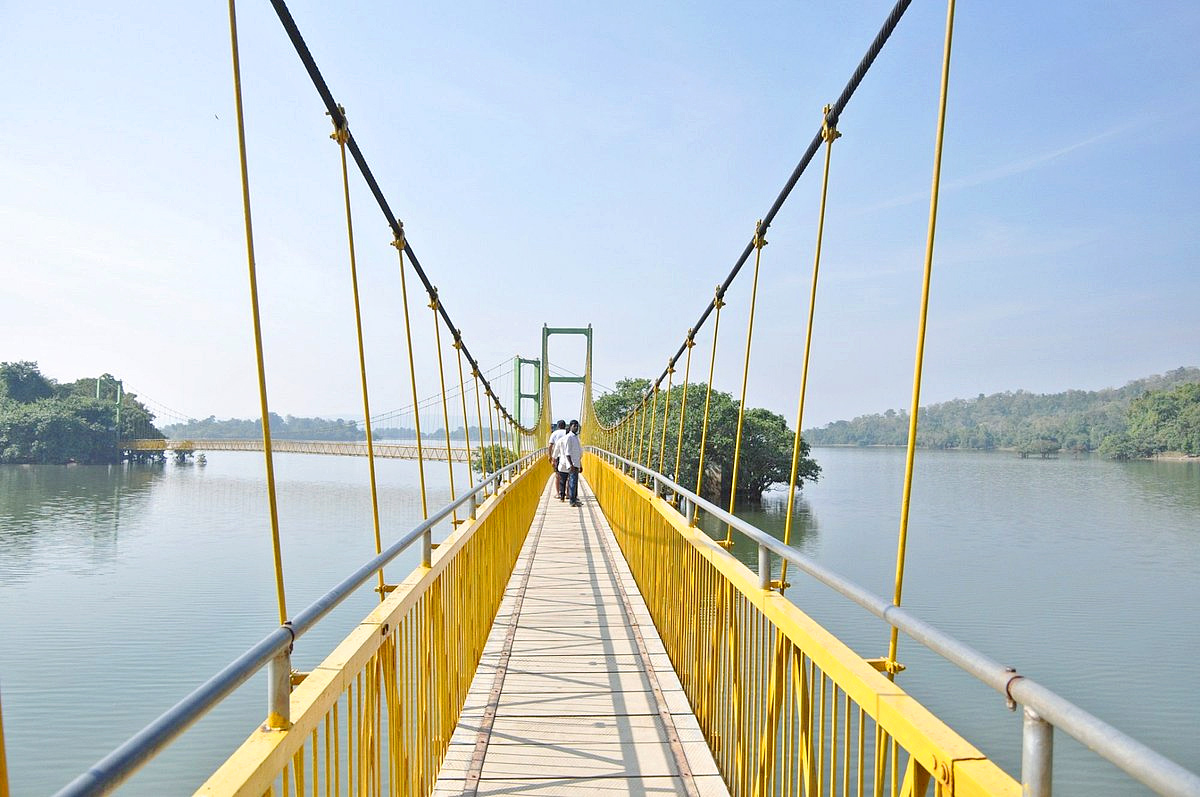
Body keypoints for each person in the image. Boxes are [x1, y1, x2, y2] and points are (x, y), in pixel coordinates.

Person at [561, 420, 583, 506]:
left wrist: (580, 464)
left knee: (575, 482)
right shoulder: (569, 437)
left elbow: (577, 452)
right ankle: (572, 501)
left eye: (577, 426)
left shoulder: (575, 437)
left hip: (576, 462)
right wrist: (570, 464)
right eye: (574, 426)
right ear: (570, 426)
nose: (576, 427)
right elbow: (567, 452)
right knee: (572, 482)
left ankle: (574, 499)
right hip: (572, 463)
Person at [547, 420, 568, 500]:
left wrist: (550, 456)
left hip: (558, 456)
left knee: (558, 475)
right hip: (567, 456)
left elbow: (550, 446)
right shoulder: (568, 433)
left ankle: (558, 493)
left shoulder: (554, 433)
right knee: (568, 476)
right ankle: (568, 494)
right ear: (564, 425)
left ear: (558, 426)